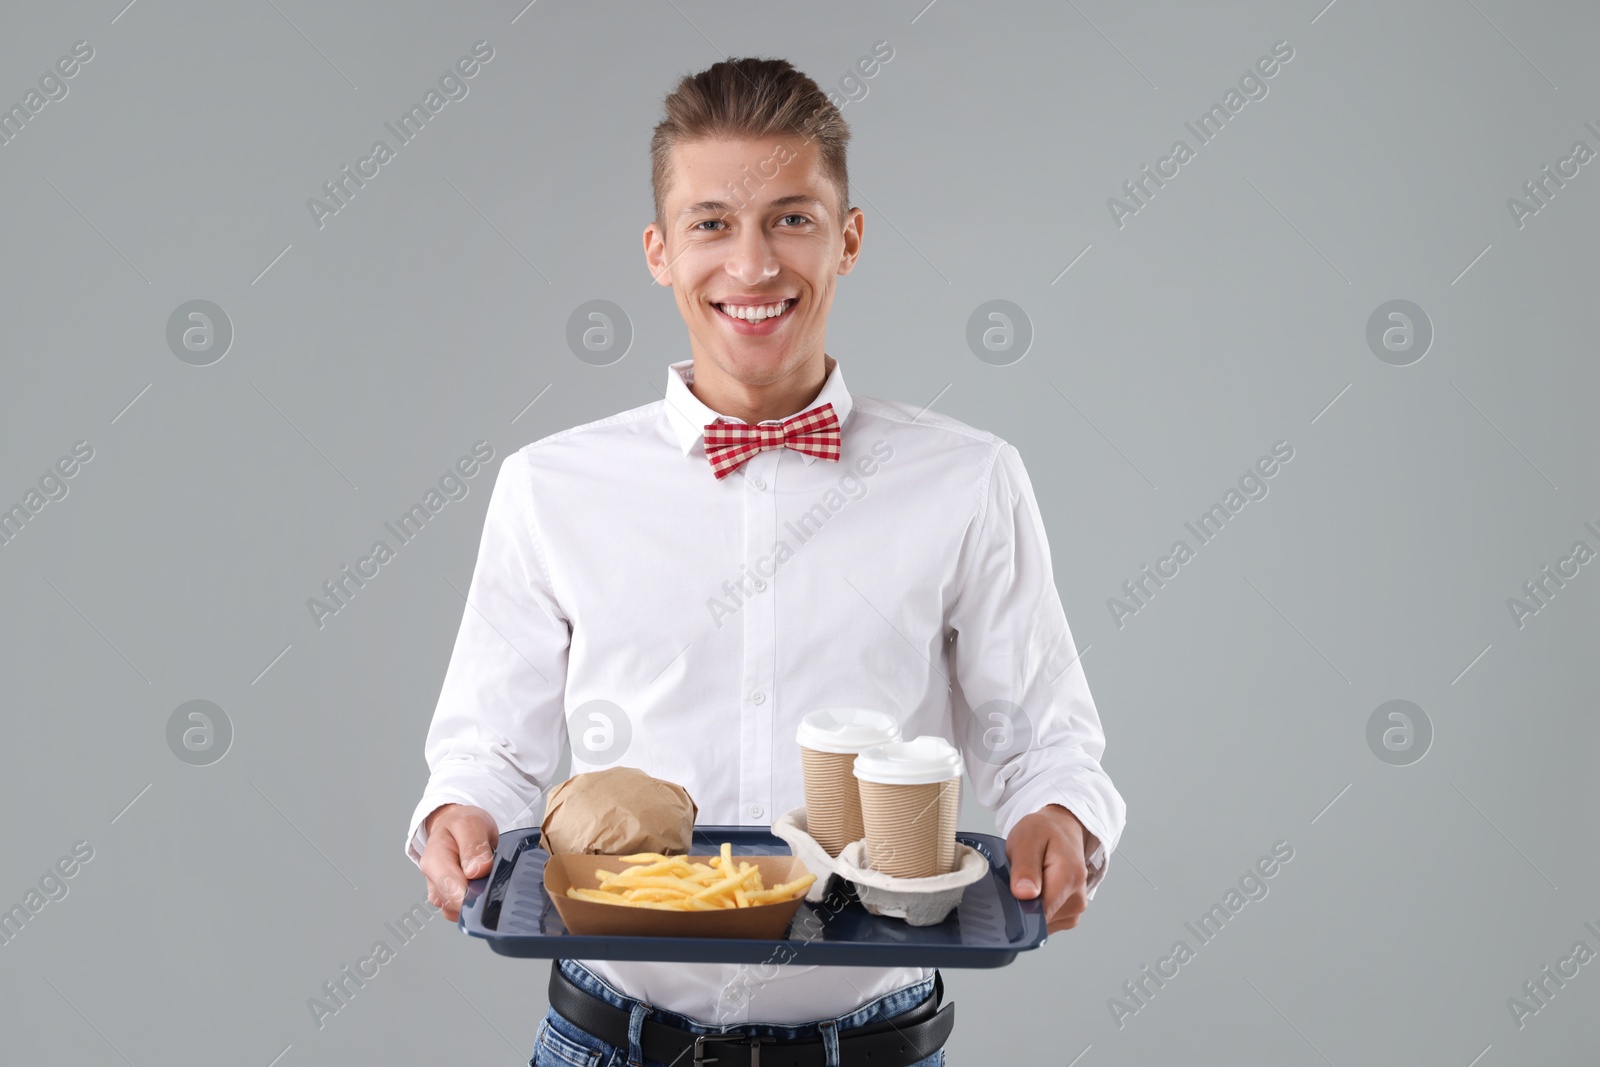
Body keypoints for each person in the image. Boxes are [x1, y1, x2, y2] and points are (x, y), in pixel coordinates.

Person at [405, 56, 1126, 1067]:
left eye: (791, 217)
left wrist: (1062, 815)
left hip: (875, 1043)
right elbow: (487, 750)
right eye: (711, 223)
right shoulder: (548, 486)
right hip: (610, 1039)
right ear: (658, 252)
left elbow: (1046, 741)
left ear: (849, 238)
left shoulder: (969, 480)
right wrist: (460, 815)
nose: (751, 266)